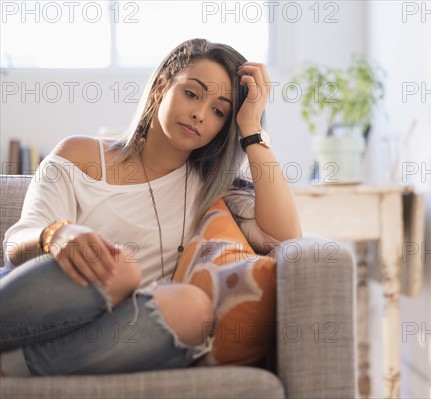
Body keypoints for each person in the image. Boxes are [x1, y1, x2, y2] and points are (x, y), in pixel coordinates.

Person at [0, 38, 302, 376]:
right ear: (161, 86)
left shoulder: (210, 189)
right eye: (192, 93)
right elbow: (16, 243)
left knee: (192, 307)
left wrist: (252, 129)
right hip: (35, 305)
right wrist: (57, 234)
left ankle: (9, 369)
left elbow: (282, 237)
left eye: (218, 111)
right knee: (120, 267)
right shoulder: (79, 154)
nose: (199, 114)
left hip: (112, 333)